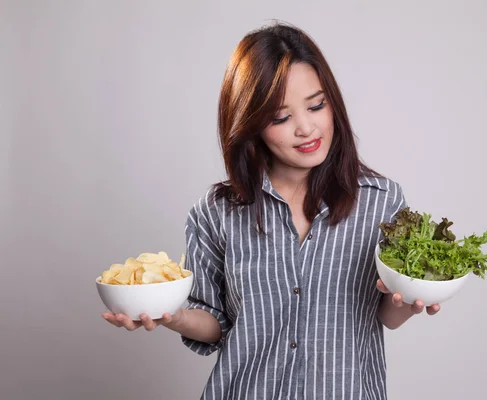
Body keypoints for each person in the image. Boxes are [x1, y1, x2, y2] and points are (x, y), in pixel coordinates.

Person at [102, 21, 441, 400]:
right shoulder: (216, 213)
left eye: (316, 105)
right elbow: (215, 323)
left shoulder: (381, 201)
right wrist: (170, 315)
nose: (307, 128)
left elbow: (383, 315)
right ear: (251, 125)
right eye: (281, 118)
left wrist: (411, 301)